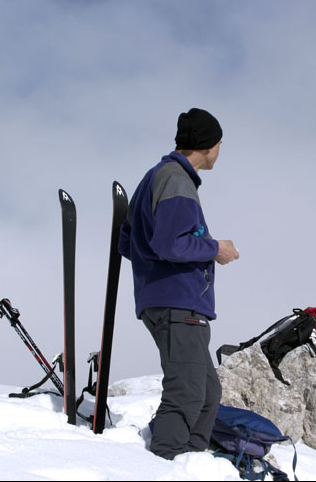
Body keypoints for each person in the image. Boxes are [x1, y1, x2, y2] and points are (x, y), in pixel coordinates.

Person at [119, 108, 241, 459]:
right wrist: (215, 247)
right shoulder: (176, 180)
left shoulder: (156, 177)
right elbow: (171, 244)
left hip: (166, 301)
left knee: (207, 391)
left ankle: (189, 461)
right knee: (188, 391)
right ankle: (164, 462)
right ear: (209, 145)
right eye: (220, 143)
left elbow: (129, 243)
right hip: (179, 305)